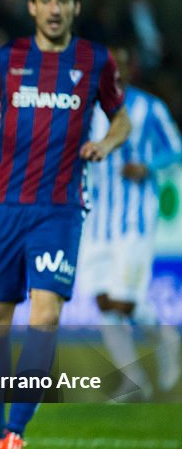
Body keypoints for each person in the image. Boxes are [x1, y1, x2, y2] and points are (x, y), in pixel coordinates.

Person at [0, 0, 131, 449]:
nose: (55, 9)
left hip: (59, 208)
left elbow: (121, 115)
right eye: (46, 0)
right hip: (5, 206)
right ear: (32, 6)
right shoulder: (8, 59)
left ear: (75, 6)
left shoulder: (95, 61)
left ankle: (15, 434)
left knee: (47, 314)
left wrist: (106, 141)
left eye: (64, 0)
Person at [78, 44, 182, 400]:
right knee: (104, 301)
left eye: (121, 66)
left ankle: (167, 338)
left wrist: (148, 167)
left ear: (131, 69)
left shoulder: (149, 107)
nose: (116, 73)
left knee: (124, 301)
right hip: (97, 221)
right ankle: (134, 380)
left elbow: (176, 147)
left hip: (134, 220)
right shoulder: (87, 110)